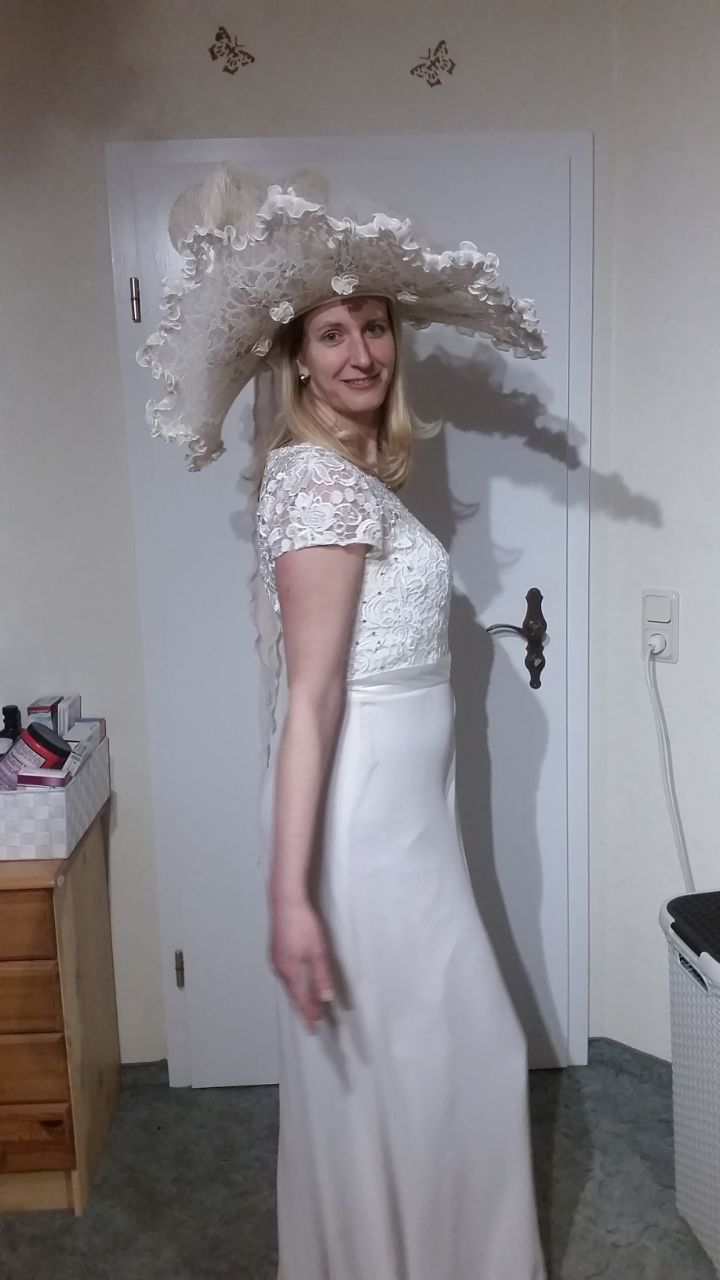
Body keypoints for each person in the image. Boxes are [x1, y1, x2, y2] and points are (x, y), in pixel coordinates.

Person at [138, 165, 548, 1280]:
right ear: (297, 359)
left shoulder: (357, 475)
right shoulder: (316, 484)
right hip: (364, 820)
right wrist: (290, 896)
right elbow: (312, 698)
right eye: (331, 334)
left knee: (424, 1055)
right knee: (429, 1049)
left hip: (401, 813)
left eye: (374, 326)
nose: (361, 352)